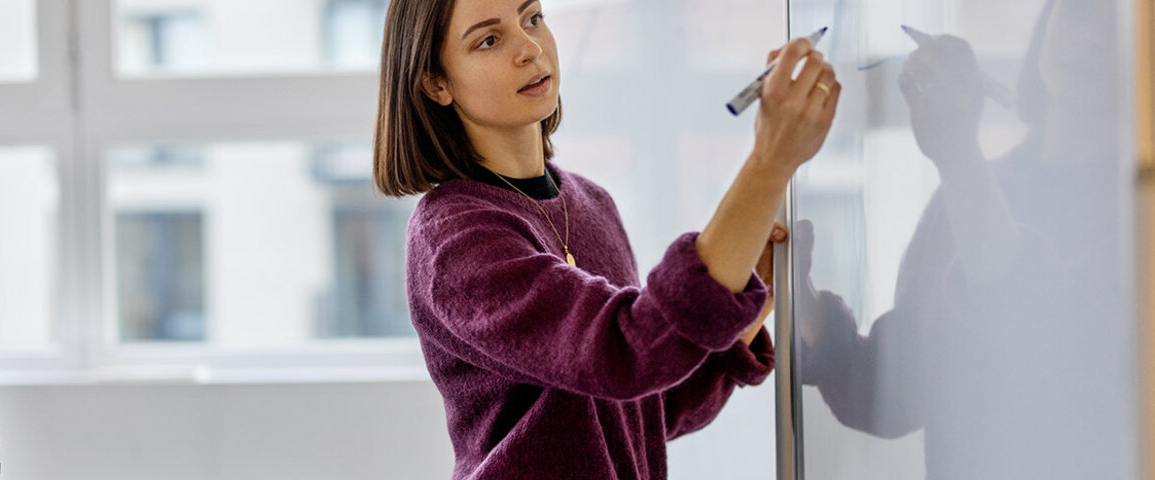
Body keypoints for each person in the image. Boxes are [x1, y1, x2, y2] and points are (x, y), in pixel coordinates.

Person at [373, 0, 840, 477]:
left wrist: (745, 303)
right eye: (489, 40)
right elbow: (627, 354)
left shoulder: (591, 202)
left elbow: (646, 406)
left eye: (532, 18)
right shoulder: (454, 238)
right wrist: (769, 162)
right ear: (436, 83)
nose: (530, 48)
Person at [796, 0, 1132, 477]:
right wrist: (802, 299)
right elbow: (893, 395)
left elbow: (1050, 351)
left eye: (1120, 23)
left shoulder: (1137, 214)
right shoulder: (961, 198)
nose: (1092, 36)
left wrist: (958, 159)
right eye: (1079, 10)